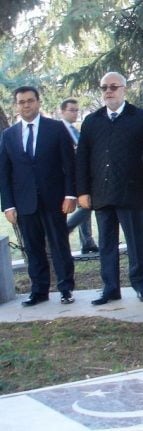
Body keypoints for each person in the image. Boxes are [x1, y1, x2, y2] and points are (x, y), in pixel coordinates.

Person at [76, 72, 143, 305]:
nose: (108, 91)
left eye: (113, 87)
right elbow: (82, 158)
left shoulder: (141, 117)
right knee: (106, 245)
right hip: (102, 193)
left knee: (136, 244)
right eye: (104, 88)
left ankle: (141, 287)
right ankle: (110, 289)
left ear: (124, 89)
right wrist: (82, 191)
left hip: (132, 192)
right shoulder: (92, 121)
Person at [0, 86, 77, 306]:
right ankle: (39, 291)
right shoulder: (9, 135)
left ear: (38, 102)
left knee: (59, 246)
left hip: (55, 200)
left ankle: (66, 289)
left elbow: (69, 165)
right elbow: (4, 173)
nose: (26, 105)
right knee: (33, 248)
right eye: (22, 102)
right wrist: (8, 205)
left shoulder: (56, 128)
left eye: (30, 100)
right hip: (24, 203)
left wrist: (70, 195)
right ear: (16, 106)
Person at [60, 98, 98, 255]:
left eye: (77, 110)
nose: (75, 113)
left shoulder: (75, 130)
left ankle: (87, 242)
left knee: (86, 204)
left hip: (81, 175)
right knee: (88, 206)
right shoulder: (59, 130)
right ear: (62, 111)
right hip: (69, 176)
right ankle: (66, 229)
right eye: (72, 110)